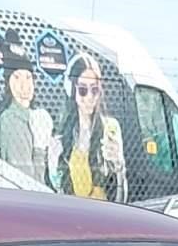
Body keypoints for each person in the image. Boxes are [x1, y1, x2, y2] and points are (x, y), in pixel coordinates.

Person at [53, 53, 125, 200]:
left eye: (94, 90)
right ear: (72, 91)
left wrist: (118, 165)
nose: (89, 97)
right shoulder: (61, 139)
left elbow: (121, 198)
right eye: (83, 90)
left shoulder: (110, 128)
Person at [0, 61, 52, 180]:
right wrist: (39, 149)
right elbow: (27, 180)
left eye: (28, 77)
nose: (24, 85)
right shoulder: (11, 119)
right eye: (17, 77)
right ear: (8, 82)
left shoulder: (37, 117)